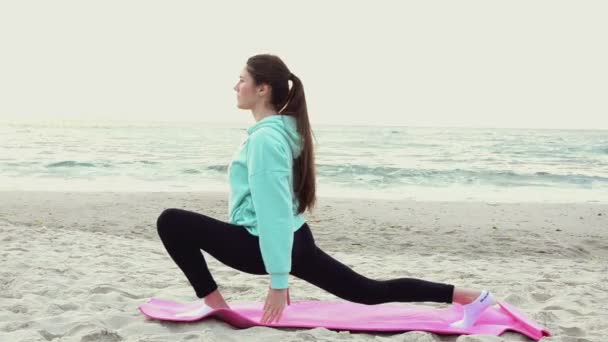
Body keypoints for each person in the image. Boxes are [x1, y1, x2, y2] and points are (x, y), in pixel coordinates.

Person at [156, 53, 496, 328]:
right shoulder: (281, 132)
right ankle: (470, 296)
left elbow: (273, 211)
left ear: (262, 89)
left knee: (171, 222)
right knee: (367, 291)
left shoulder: (265, 139)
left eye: (242, 79)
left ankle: (215, 305)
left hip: (264, 244)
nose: (235, 86)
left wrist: (278, 282)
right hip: (294, 238)